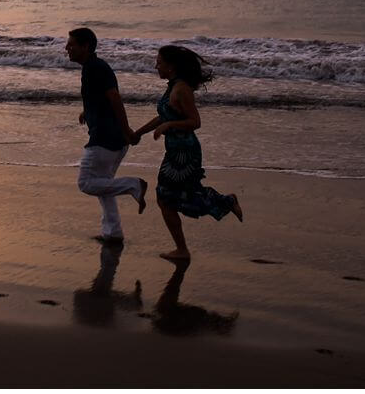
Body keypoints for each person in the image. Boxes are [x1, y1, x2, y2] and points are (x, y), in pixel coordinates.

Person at [133, 45, 243, 260]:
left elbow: (195, 122)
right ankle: (183, 247)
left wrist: (169, 126)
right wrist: (140, 132)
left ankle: (225, 203)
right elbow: (163, 116)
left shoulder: (181, 89)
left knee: (172, 197)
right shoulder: (172, 86)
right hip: (174, 151)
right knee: (170, 197)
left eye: (159, 62)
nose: (156, 65)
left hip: (186, 153)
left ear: (171, 66)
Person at [65, 27, 147, 244]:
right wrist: (87, 110)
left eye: (71, 44)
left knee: (87, 183)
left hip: (106, 138)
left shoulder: (95, 68)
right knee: (104, 185)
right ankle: (113, 232)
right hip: (112, 137)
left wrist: (127, 130)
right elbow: (102, 96)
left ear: (86, 47)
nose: (67, 48)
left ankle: (134, 185)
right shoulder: (92, 67)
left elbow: (115, 98)